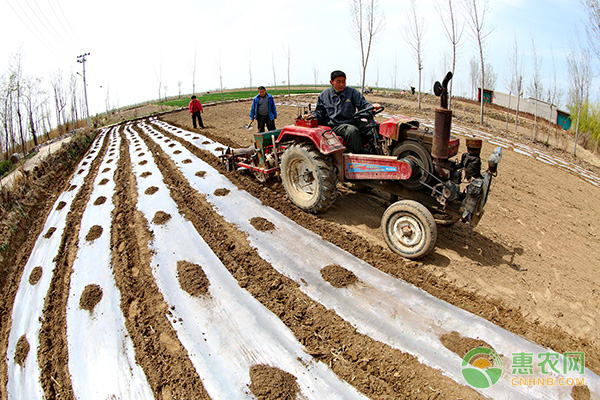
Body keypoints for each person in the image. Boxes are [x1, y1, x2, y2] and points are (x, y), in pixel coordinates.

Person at [309, 70, 381, 154]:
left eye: (343, 81)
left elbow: (363, 104)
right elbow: (319, 111)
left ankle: (376, 150)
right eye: (338, 81)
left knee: (375, 127)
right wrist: (312, 116)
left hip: (352, 120)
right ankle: (361, 154)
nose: (341, 84)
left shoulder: (352, 93)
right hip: (335, 124)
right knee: (352, 131)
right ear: (331, 82)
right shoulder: (324, 95)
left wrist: (371, 107)